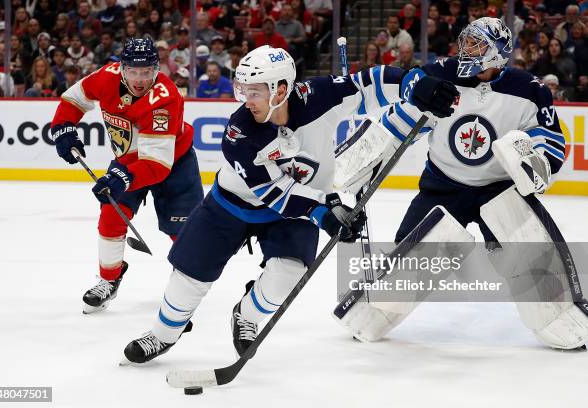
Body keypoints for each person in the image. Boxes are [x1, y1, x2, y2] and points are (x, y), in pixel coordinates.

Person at [120, 44, 456, 364]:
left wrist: (414, 82)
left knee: (289, 273)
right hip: (233, 205)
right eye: (243, 90)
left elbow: (368, 84)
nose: (245, 100)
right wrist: (325, 210)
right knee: (188, 277)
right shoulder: (240, 132)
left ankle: (246, 315)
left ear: (281, 89)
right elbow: (275, 192)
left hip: (298, 207)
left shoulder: (319, 96)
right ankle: (164, 333)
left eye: (254, 91)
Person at [337, 17, 588, 352]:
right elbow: (397, 123)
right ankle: (374, 310)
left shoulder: (530, 90)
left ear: (498, 52)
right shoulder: (439, 75)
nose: (467, 50)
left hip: (500, 191)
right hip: (443, 186)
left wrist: (534, 161)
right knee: (407, 261)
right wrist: (364, 165)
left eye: (477, 44)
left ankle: (560, 315)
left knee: (529, 257)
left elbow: (551, 141)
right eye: (466, 42)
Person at [50, 38, 204, 314]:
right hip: (128, 162)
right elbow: (75, 98)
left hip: (174, 164)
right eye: (134, 70)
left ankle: (186, 287)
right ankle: (109, 280)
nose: (140, 78)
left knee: (183, 232)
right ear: (122, 68)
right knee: (111, 214)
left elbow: (157, 165)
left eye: (147, 71)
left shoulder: (164, 97)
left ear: (157, 69)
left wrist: (122, 177)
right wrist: (63, 126)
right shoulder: (106, 77)